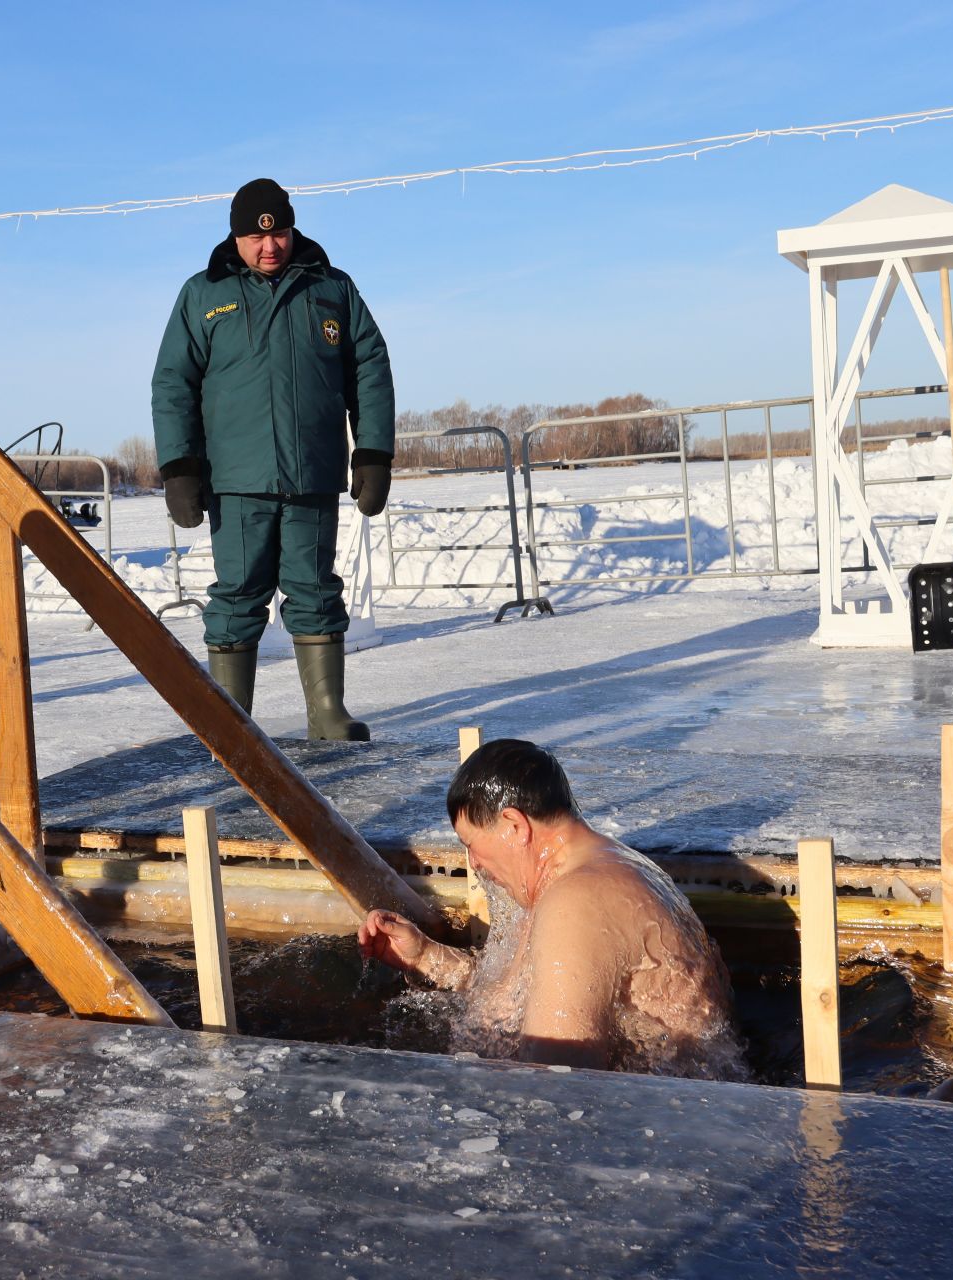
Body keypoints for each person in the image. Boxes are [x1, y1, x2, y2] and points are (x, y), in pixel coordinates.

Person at [151, 178, 394, 740]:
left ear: (290, 229)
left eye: (279, 234)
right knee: (237, 596)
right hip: (236, 480)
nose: (270, 247)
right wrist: (181, 467)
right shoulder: (203, 295)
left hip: (313, 471)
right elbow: (173, 384)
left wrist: (374, 453)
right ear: (236, 236)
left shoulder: (332, 289)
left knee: (314, 590)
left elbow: (370, 370)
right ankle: (230, 725)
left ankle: (327, 714)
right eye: (256, 237)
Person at [358, 739, 747, 1079]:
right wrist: (427, 956)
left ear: (513, 825)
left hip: (656, 1130)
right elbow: (519, 993)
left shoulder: (578, 902)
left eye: (471, 843)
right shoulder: (594, 867)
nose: (473, 862)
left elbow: (555, 1080)